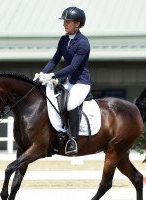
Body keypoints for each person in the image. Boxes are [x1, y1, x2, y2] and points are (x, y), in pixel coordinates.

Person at [34, 7, 91, 156]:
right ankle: (57, 134)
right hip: (68, 81)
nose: (64, 24)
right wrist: (42, 73)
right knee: (53, 100)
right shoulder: (64, 39)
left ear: (77, 24)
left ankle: (73, 140)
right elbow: (55, 60)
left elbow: (73, 67)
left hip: (81, 82)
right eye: (64, 21)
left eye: (68, 21)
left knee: (71, 104)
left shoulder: (83, 43)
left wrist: (53, 76)